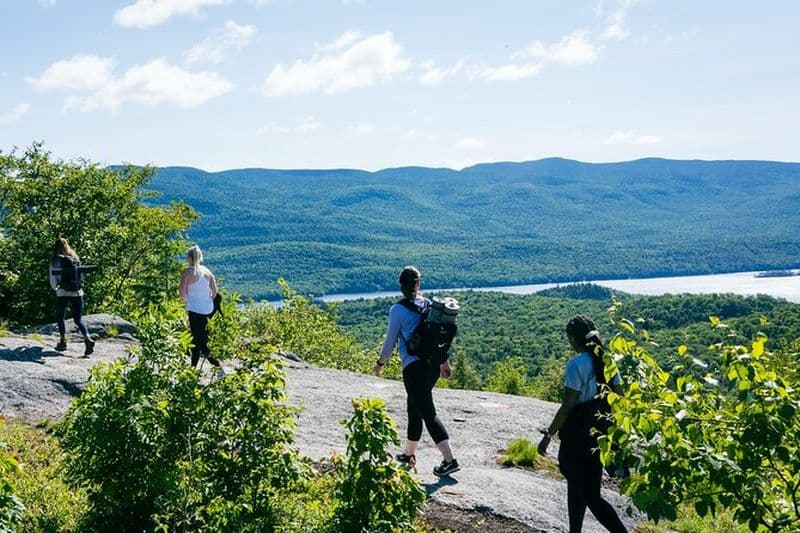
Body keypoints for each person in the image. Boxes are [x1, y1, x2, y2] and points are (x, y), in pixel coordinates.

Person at [538, 315, 627, 533]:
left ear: (573, 339)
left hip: (577, 437)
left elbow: (568, 405)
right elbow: (620, 398)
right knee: (577, 486)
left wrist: (548, 435)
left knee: (590, 495)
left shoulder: (576, 365)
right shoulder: (608, 361)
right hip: (600, 434)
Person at [373, 266, 460, 477]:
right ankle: (408, 453)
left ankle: (450, 460)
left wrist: (380, 363)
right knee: (414, 407)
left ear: (400, 285)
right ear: (418, 284)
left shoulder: (397, 310)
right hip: (431, 367)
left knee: (428, 412)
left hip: (413, 367)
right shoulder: (429, 306)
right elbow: (436, 340)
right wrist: (444, 362)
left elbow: (390, 342)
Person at [179, 245, 223, 376]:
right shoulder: (207, 272)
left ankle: (217, 366)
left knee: (199, 341)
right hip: (208, 309)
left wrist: (189, 299)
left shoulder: (187, 272)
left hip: (194, 309)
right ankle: (192, 369)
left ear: (189, 257)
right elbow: (215, 293)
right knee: (198, 339)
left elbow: (182, 295)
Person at [49, 237, 95, 356]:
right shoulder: (75, 258)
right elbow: (81, 276)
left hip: (63, 292)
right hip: (77, 292)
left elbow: (53, 279)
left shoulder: (55, 260)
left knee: (60, 317)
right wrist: (79, 287)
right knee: (78, 319)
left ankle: (63, 341)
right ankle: (87, 337)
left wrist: (56, 289)